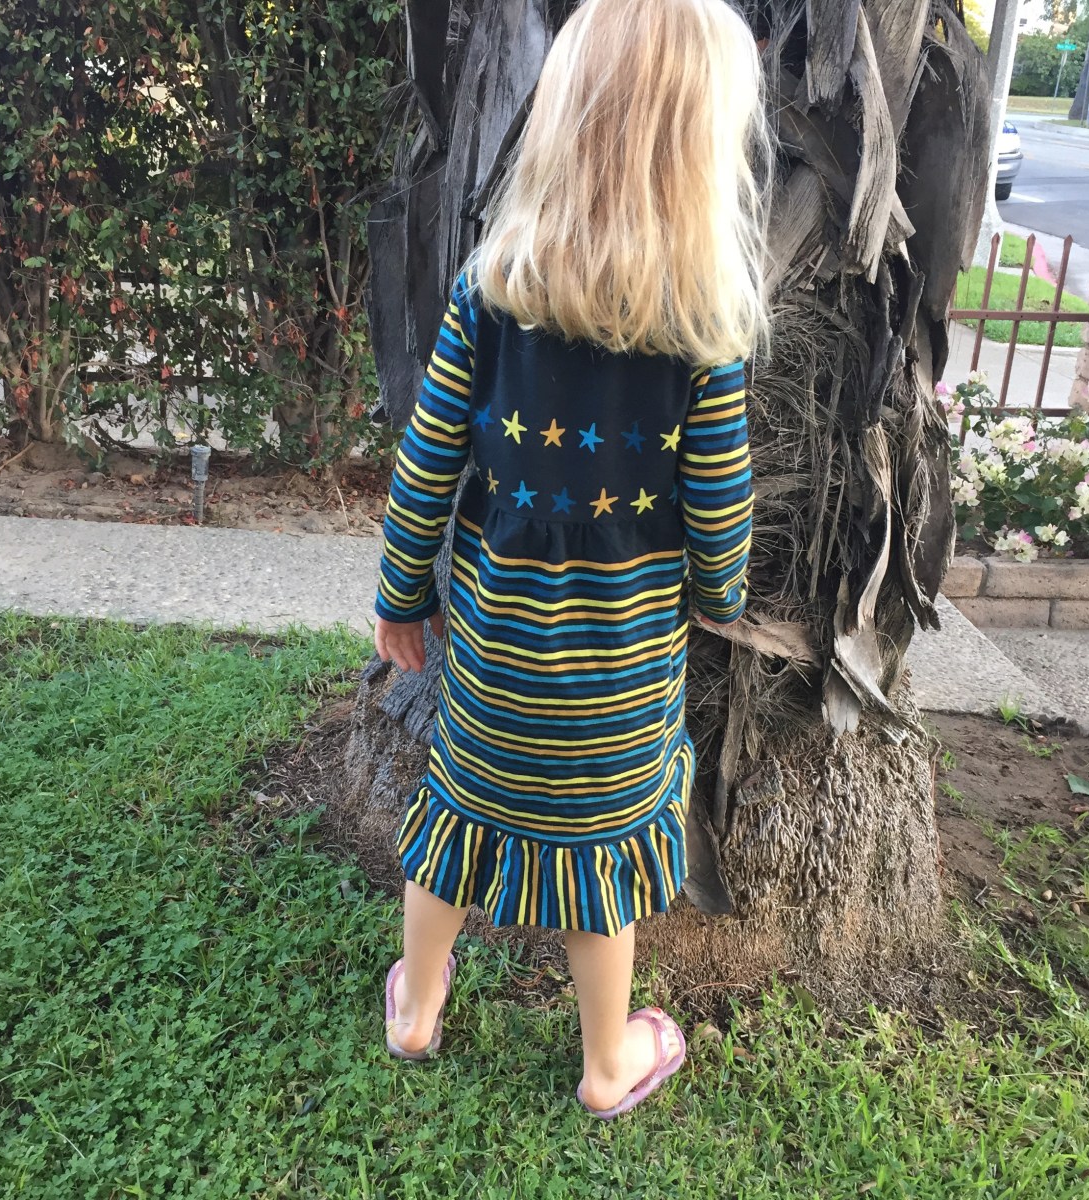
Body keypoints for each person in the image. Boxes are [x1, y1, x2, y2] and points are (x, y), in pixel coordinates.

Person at [373, 0, 769, 1119]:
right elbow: (720, 500)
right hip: (623, 671)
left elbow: (427, 461)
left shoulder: (490, 289)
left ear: (564, 118)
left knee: (452, 828)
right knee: (604, 870)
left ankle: (416, 1011)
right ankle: (607, 1065)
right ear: (702, 148)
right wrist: (720, 594)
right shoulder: (705, 328)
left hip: (495, 657)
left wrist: (401, 597)